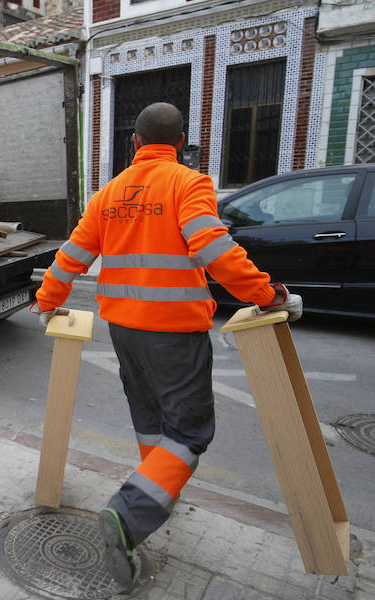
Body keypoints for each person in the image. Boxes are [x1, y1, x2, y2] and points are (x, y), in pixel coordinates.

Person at [34, 102, 302, 588]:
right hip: (175, 332)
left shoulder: (108, 194)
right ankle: (130, 512)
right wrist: (267, 295)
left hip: (124, 331)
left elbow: (72, 254)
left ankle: (157, 494)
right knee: (190, 430)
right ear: (180, 143)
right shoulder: (188, 183)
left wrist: (47, 300)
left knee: (150, 416)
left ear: (135, 143)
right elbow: (214, 248)